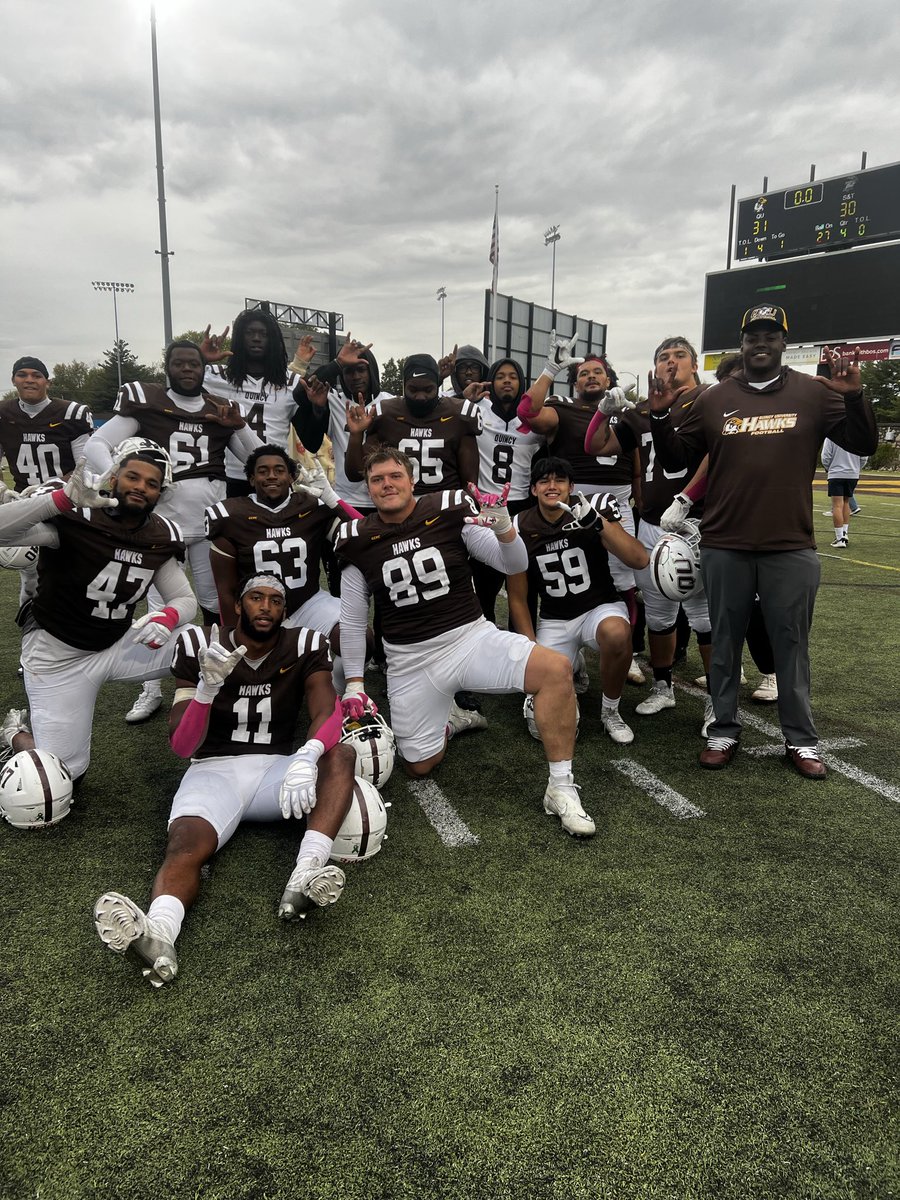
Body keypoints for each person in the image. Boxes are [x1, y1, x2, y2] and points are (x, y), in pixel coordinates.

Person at [93, 573, 356, 987]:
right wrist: (205, 689)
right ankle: (160, 933)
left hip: (277, 771)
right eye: (255, 597)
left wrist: (308, 755)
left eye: (274, 599)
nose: (265, 606)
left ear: (285, 610)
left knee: (340, 754)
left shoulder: (304, 643)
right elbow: (182, 745)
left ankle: (304, 875)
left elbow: (329, 709)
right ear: (238, 605)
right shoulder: (199, 644)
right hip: (213, 768)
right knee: (185, 846)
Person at [648, 305, 878, 778]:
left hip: (790, 543)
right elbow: (676, 456)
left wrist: (855, 398)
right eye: (753, 335)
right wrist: (659, 415)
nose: (761, 343)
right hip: (725, 542)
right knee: (726, 640)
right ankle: (723, 730)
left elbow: (864, 444)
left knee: (791, 643)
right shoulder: (714, 398)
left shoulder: (812, 393)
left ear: (783, 343)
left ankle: (802, 741)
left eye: (771, 335)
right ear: (742, 341)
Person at [334, 447, 596, 837]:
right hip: (410, 660)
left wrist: (505, 528)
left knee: (555, 669)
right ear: (368, 489)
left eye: (394, 476)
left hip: (470, 638)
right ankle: (451, 722)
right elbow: (353, 620)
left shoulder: (449, 510)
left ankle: (560, 787)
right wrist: (355, 682)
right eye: (377, 479)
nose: (387, 484)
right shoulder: (357, 539)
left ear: (412, 479)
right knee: (418, 765)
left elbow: (514, 564)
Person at [84, 339, 264, 722]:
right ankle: (150, 688)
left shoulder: (219, 408)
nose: (187, 369)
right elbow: (98, 442)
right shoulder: (146, 401)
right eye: (179, 363)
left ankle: (220, 671)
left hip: (206, 524)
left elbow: (257, 458)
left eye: (193, 364)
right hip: (158, 527)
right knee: (159, 608)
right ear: (167, 367)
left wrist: (240, 425)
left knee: (214, 602)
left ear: (203, 369)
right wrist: (116, 475)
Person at [0, 446, 194, 783]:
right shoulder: (78, 515)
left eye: (151, 483)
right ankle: (14, 735)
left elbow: (183, 597)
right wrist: (60, 500)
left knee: (209, 649)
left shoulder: (160, 534)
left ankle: (212, 751)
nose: (140, 487)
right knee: (63, 775)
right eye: (133, 477)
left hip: (118, 644)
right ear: (114, 477)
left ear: (160, 492)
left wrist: (168, 618)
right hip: (58, 656)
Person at [585, 336, 715, 734]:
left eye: (679, 355)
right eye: (663, 357)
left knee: (704, 615)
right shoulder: (640, 410)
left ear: (694, 364)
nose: (671, 362)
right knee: (659, 613)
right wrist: (602, 414)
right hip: (653, 523)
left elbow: (719, 456)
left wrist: (688, 500)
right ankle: (663, 687)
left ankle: (717, 700)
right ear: (654, 367)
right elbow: (595, 446)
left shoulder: (710, 400)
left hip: (696, 523)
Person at [518, 334, 644, 685]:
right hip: (572, 501)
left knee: (624, 583)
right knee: (575, 576)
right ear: (574, 382)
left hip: (616, 502)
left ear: (609, 380)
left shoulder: (624, 412)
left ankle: (626, 651)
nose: (590, 376)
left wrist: (639, 496)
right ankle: (571, 647)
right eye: (583, 373)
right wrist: (548, 371)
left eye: (597, 372)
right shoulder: (563, 409)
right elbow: (527, 412)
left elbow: (634, 463)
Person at [507, 458, 649, 745]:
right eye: (544, 481)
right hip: (555, 619)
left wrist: (597, 523)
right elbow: (518, 598)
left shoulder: (591, 509)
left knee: (617, 634)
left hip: (599, 608)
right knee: (542, 703)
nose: (552, 486)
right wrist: (531, 650)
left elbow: (639, 558)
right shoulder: (520, 524)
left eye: (559, 480)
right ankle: (574, 664)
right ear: (533, 489)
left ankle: (610, 711)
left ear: (571, 487)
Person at [205, 444, 362, 688]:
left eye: (279, 470)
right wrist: (231, 638)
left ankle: (340, 692)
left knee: (359, 636)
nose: (271, 476)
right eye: (263, 471)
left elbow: (364, 537)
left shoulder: (312, 506)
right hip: (261, 608)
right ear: (250, 477)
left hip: (309, 601)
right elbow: (225, 590)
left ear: (291, 477)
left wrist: (333, 500)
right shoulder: (230, 515)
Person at [0, 356, 94, 603]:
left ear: (47, 382)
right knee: (30, 575)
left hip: (66, 503)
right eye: (22, 374)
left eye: (36, 375)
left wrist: (54, 488)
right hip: (23, 503)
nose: (29, 379)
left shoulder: (72, 413)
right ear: (13, 380)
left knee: (72, 570)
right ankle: (31, 621)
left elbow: (85, 466)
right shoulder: (3, 414)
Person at [200, 311, 315, 497]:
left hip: (275, 478)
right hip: (230, 475)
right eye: (249, 333)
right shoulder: (215, 376)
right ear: (239, 338)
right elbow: (179, 391)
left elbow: (312, 438)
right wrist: (201, 358)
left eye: (263, 334)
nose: (256, 339)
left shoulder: (291, 382)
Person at [466, 357, 544, 627]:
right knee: (484, 584)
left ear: (522, 382)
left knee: (523, 585)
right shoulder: (477, 410)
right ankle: (483, 641)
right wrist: (463, 398)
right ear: (491, 382)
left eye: (513, 375)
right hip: (487, 507)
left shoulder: (534, 421)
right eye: (500, 376)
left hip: (521, 508)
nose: (507, 380)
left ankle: (521, 644)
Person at [344, 353, 482, 494]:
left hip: (444, 507)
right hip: (400, 505)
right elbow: (355, 474)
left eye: (428, 390)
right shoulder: (386, 413)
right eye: (413, 390)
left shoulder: (459, 414)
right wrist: (356, 435)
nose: (421, 397)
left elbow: (470, 484)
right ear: (404, 386)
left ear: (437, 386)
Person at [292, 334, 393, 512]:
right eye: (348, 371)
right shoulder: (334, 401)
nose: (355, 376)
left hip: (387, 496)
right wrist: (318, 409)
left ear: (372, 371)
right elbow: (300, 393)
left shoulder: (390, 403)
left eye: (361, 369)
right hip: (348, 499)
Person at [822, 437, 865, 548]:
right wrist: (856, 468)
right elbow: (864, 456)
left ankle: (839, 537)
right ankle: (844, 533)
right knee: (846, 502)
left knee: (837, 505)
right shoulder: (858, 435)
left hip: (836, 473)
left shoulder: (831, 436)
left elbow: (825, 456)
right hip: (852, 474)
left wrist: (828, 468)